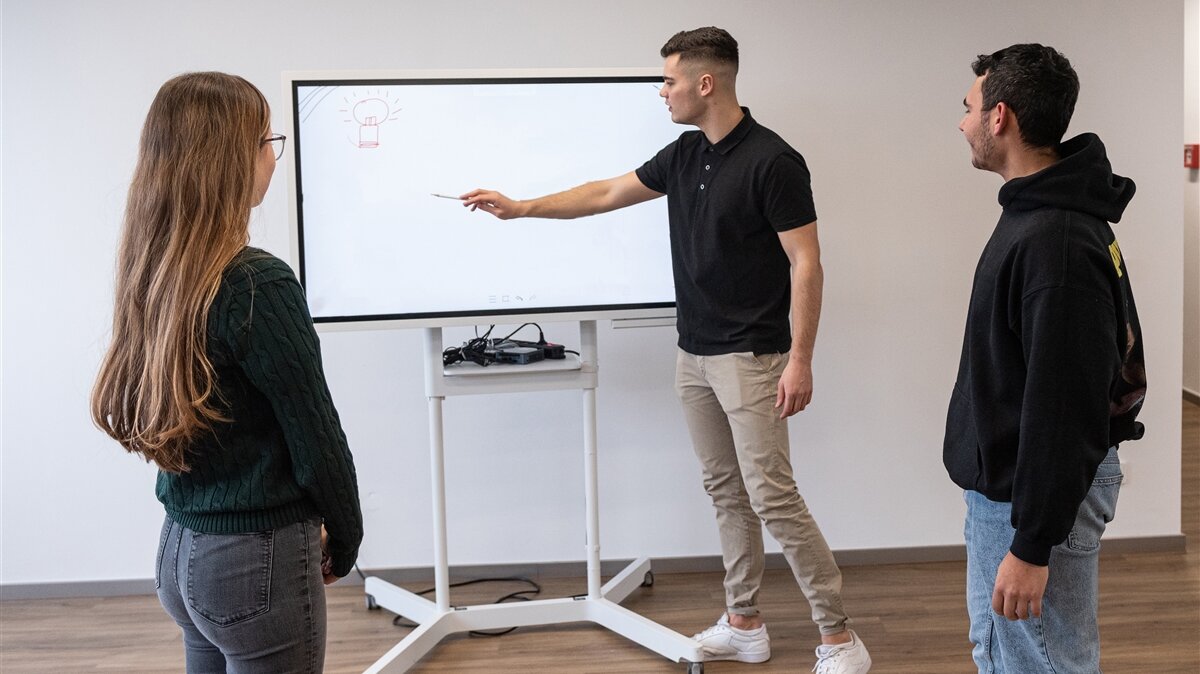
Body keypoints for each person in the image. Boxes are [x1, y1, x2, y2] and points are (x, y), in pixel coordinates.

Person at [462, 27, 870, 673]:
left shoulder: (773, 160)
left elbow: (807, 262)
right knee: (726, 492)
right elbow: (604, 194)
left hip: (752, 358)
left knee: (773, 497)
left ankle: (840, 638)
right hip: (695, 355)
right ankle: (744, 624)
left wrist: (801, 358)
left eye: (670, 80)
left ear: (705, 83)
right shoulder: (685, 154)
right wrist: (521, 208)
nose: (663, 91)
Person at [91, 72, 364, 673]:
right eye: (268, 141)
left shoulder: (156, 269)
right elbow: (315, 435)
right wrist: (346, 538)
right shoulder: (254, 282)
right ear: (232, 160)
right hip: (255, 566)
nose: (274, 155)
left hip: (181, 552)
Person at [947, 44, 1146, 673]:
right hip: (1011, 493)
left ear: (999, 117)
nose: (962, 122)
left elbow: (1064, 407)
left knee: (1043, 661)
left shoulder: (1054, 241)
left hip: (1029, 500)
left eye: (968, 107)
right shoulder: (1039, 217)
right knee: (1003, 653)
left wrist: (1032, 545)